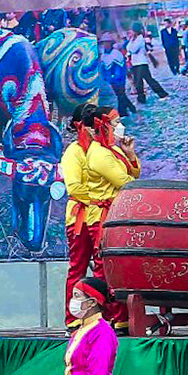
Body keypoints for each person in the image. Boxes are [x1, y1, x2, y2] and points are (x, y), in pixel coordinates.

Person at [60, 104, 140, 325]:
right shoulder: (75, 152)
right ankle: (74, 318)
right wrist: (98, 201)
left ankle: (111, 316)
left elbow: (129, 173)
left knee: (104, 266)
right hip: (82, 216)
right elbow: (75, 188)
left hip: (101, 213)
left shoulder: (106, 149)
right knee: (79, 265)